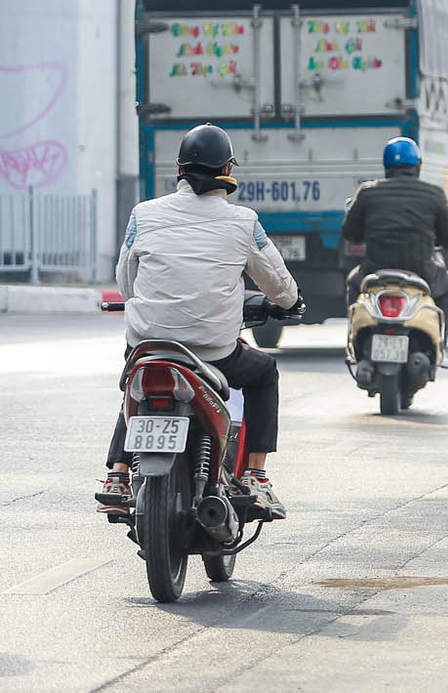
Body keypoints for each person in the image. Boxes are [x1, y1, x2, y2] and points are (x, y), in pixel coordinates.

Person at [97, 124, 299, 520]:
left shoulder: (144, 214)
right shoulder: (243, 221)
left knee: (134, 387)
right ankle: (256, 474)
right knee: (264, 374)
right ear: (227, 168)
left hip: (148, 344)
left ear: (180, 170)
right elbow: (277, 281)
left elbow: (126, 280)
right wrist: (288, 303)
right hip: (213, 353)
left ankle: (118, 474)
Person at [341, 137, 448, 367]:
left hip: (374, 271)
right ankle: (442, 346)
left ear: (387, 167)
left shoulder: (368, 193)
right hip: (422, 272)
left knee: (352, 282)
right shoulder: (433, 194)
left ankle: (352, 341)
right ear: (418, 166)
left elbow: (350, 233)